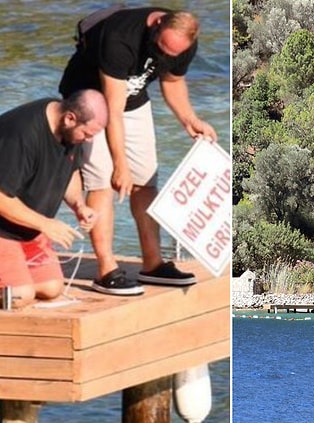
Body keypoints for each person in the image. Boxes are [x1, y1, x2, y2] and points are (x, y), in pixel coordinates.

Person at [58, 7, 218, 295]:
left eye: (173, 52)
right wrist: (120, 164)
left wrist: (190, 120)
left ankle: (153, 264)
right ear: (156, 25)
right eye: (162, 48)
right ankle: (106, 270)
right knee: (103, 179)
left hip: (133, 99)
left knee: (146, 179)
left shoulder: (183, 42)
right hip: (90, 100)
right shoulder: (120, 38)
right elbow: (113, 110)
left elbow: (172, 81)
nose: (166, 55)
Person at [0, 89, 107, 307]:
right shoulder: (21, 135)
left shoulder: (69, 130)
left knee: (51, 288)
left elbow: (69, 173)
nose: (88, 140)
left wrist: (79, 205)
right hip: (3, 226)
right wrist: (46, 224)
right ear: (70, 118)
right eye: (86, 135)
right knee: (19, 296)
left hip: (27, 228)